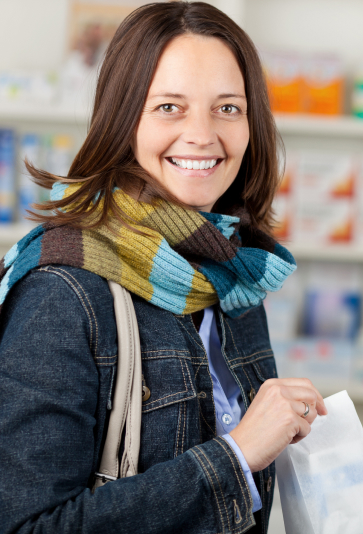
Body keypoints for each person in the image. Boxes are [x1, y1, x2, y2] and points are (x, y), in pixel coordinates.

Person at [0, 3, 326, 533]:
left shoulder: (234, 276)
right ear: (123, 117)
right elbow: (26, 526)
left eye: (227, 108)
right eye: (170, 106)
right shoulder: (62, 291)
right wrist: (237, 457)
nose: (201, 135)